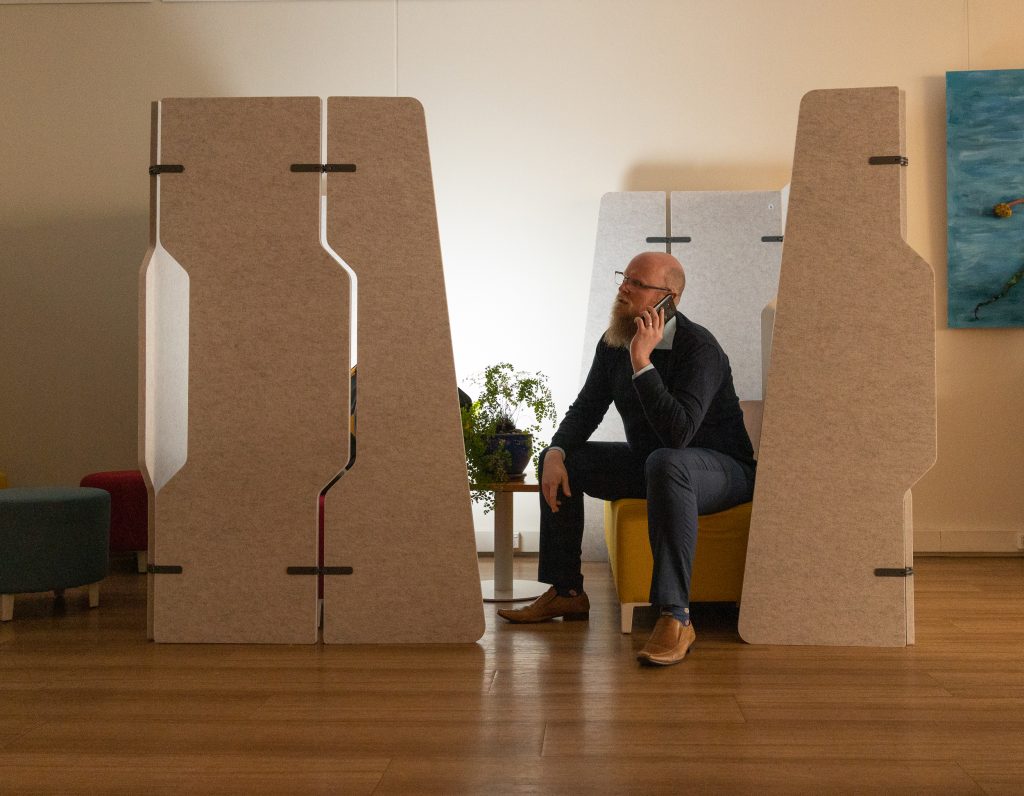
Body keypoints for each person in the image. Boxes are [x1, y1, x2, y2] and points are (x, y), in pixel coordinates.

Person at [497, 251, 755, 666]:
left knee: (666, 460)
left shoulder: (699, 348)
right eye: (624, 278)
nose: (623, 288)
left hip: (721, 470)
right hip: (658, 465)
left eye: (636, 283)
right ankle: (567, 592)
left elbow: (679, 433)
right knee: (569, 460)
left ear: (667, 299)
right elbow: (586, 408)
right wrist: (557, 450)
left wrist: (642, 361)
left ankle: (676, 616)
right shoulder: (613, 341)